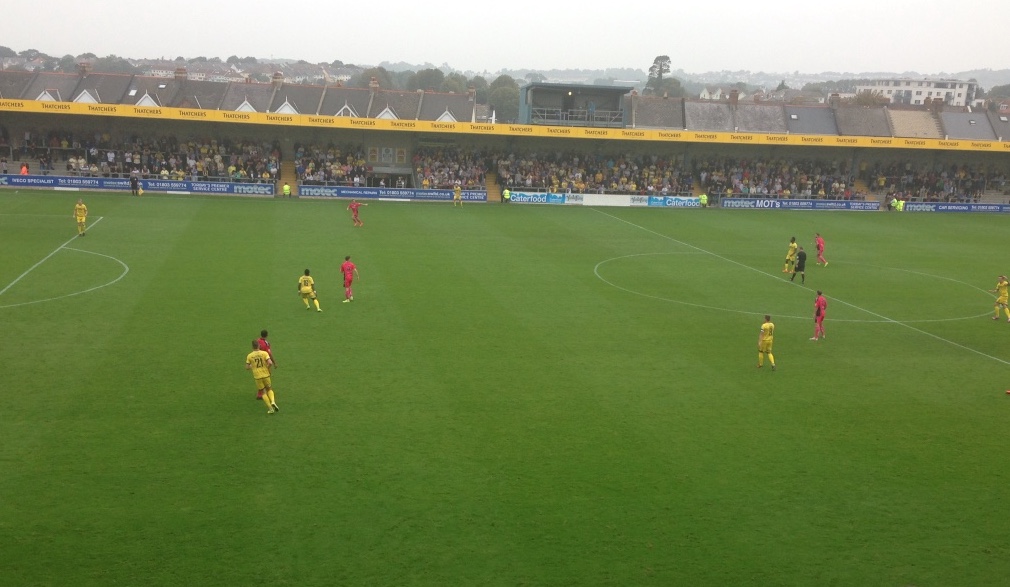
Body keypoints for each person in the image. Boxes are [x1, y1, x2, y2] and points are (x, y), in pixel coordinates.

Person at [245, 340, 279, 414]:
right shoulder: (264, 353)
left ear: (252, 347)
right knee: (269, 388)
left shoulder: (249, 356)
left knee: (263, 392)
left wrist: (252, 366)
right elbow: (270, 363)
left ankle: (270, 409)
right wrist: (267, 367)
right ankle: (273, 401)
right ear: (259, 346)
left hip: (257, 376)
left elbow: (247, 367)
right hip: (266, 374)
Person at [255, 329, 277, 400]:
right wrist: (274, 363)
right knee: (266, 376)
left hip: (256, 362)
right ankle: (265, 392)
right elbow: (269, 354)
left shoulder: (257, 341)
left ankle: (259, 394)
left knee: (260, 377)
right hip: (264, 362)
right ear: (267, 335)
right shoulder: (266, 343)